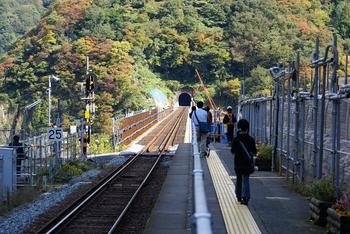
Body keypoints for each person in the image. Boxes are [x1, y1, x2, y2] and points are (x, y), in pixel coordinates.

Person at [231, 119, 256, 205]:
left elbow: (232, 151)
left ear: (239, 128)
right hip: (247, 163)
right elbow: (254, 151)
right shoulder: (251, 139)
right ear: (247, 128)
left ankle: (238, 196)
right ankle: (246, 197)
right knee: (246, 179)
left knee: (239, 179)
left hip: (238, 163)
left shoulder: (236, 139)